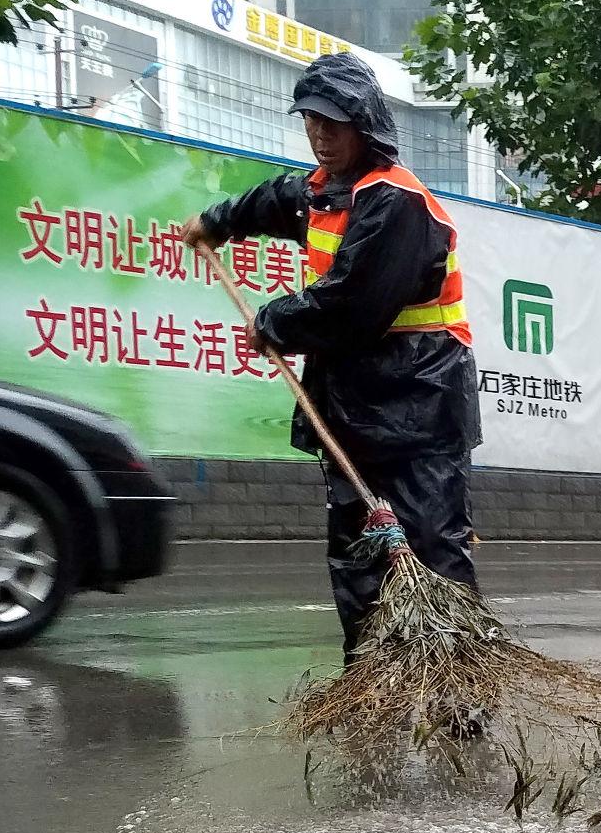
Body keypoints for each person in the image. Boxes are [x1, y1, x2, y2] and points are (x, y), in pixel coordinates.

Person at [184, 51, 479, 659]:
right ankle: (372, 686)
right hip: (352, 406)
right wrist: (216, 223)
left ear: (364, 123)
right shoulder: (319, 193)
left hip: (418, 407)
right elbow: (269, 199)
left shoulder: (398, 204)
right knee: (357, 554)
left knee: (433, 548)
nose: (320, 134)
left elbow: (351, 306)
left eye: (333, 122)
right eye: (311, 121)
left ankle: (460, 695)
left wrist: (272, 321)